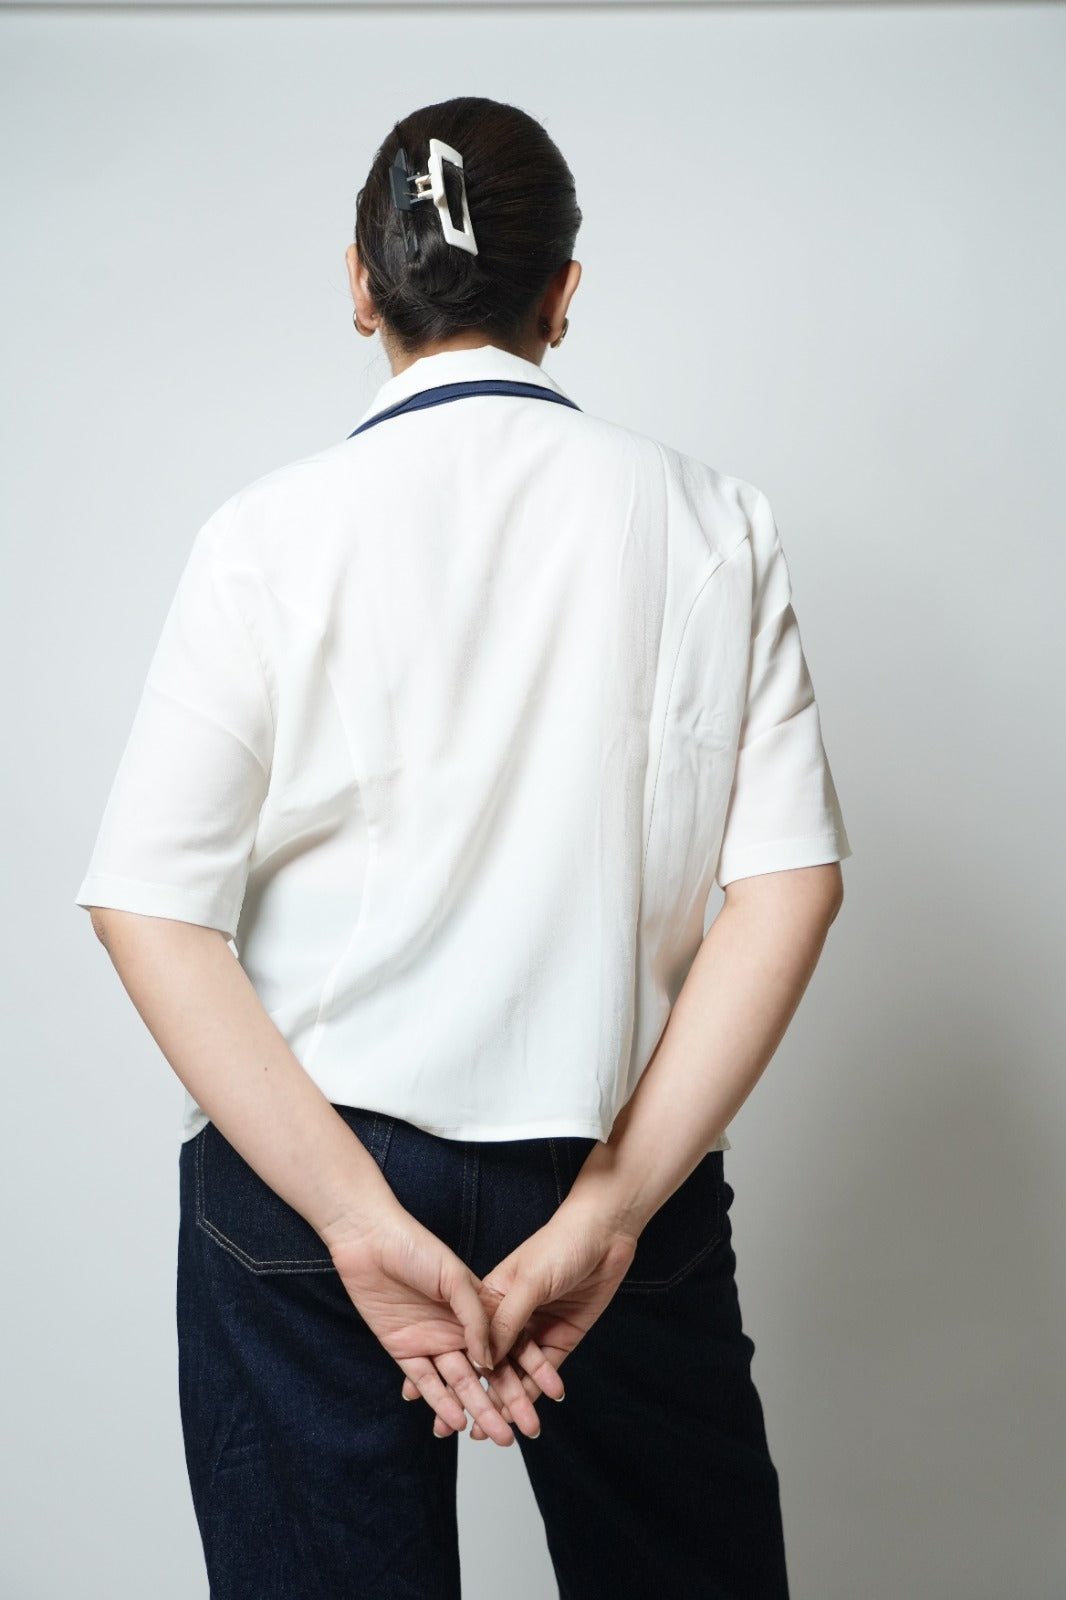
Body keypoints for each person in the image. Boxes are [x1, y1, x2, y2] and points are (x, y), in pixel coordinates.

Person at [74, 94, 851, 1599]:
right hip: (614, 1143)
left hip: (313, 1168)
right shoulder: (711, 522)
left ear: (361, 284)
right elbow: (789, 885)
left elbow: (147, 908)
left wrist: (357, 1219)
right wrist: (614, 1207)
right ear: (564, 292)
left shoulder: (265, 533)